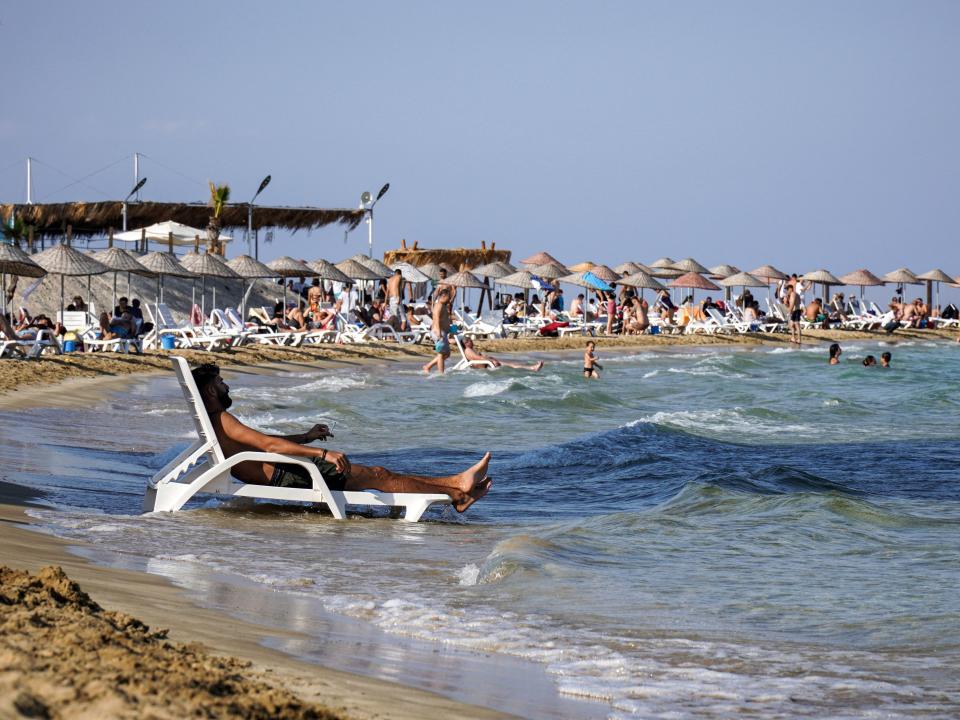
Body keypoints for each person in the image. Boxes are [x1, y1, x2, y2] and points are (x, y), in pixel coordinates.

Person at [191, 363, 491, 513]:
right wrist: (322, 454)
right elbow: (268, 445)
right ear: (210, 392)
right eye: (220, 382)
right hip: (289, 474)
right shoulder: (223, 419)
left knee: (382, 475)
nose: (226, 385)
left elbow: (262, 440)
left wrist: (306, 437)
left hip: (286, 467)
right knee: (379, 475)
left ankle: (455, 483)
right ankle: (457, 494)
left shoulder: (220, 422)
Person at [462, 337, 544, 371]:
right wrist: (490, 360)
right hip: (485, 364)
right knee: (511, 366)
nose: (472, 342)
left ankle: (532, 368)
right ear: (466, 343)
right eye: (470, 341)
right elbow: (478, 358)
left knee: (511, 365)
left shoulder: (469, 349)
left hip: (486, 363)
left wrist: (489, 358)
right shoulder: (468, 350)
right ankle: (532, 368)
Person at [423, 287, 453, 374]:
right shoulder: (438, 305)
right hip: (438, 332)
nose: (449, 300)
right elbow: (436, 319)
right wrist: (439, 332)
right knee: (441, 354)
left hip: (443, 332)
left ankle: (428, 366)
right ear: (443, 296)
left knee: (447, 354)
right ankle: (441, 373)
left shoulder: (443, 305)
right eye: (448, 297)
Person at [786, 281, 802, 345]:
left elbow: (792, 304)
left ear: (790, 289)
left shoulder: (792, 294)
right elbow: (799, 302)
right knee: (792, 325)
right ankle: (793, 338)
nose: (787, 291)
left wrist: (789, 312)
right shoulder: (796, 294)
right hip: (797, 310)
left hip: (795, 311)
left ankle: (799, 339)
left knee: (797, 325)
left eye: (787, 290)